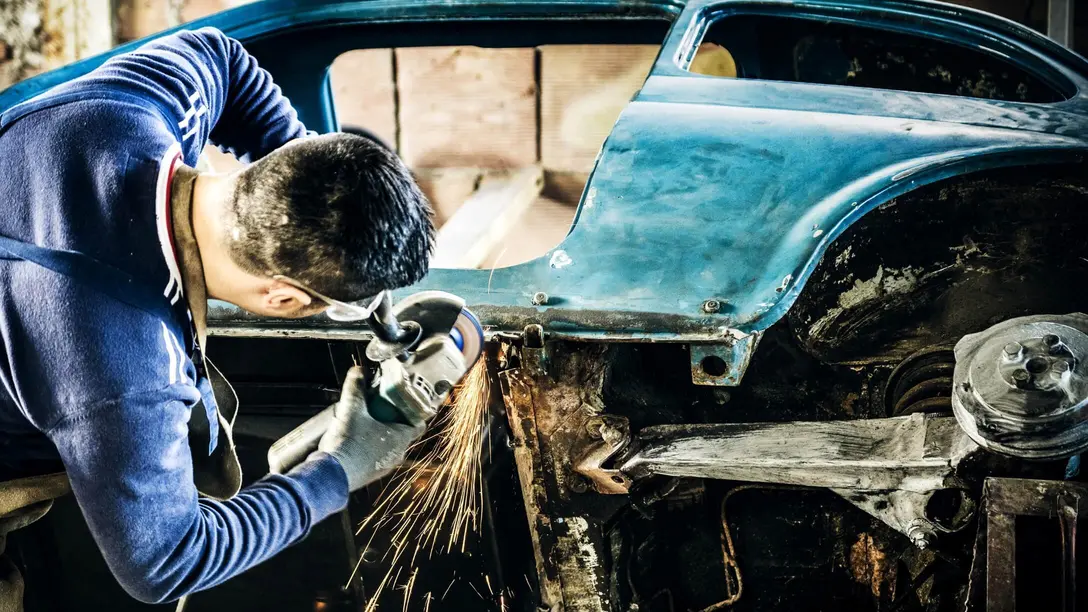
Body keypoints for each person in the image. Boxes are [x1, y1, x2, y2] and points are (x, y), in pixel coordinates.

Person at [0, 26, 434, 608]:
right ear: (283, 299)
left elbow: (223, 55)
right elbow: (165, 563)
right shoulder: (126, 369)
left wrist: (309, 185)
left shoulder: (132, 109)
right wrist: (339, 469)